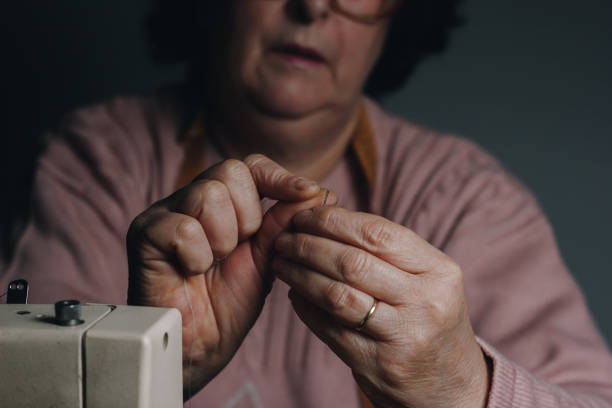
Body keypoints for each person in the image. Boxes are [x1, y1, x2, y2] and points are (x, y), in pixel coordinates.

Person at [2, 1, 612, 407]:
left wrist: (463, 387)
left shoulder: (467, 196)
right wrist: (150, 369)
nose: (313, 5)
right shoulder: (96, 157)